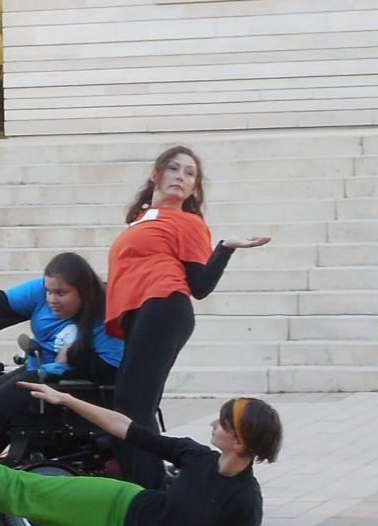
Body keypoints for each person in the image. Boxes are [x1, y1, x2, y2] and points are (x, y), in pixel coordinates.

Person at [0, 385, 278, 526]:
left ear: (239, 443)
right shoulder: (197, 456)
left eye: (222, 423)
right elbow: (124, 427)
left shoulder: (246, 501)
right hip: (116, 505)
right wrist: (66, 399)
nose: (213, 424)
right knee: (21, 488)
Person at [104, 146, 271, 489]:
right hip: (143, 311)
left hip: (164, 306)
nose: (181, 177)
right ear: (156, 174)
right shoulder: (142, 219)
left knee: (134, 404)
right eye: (174, 169)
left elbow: (199, 286)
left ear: (194, 189)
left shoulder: (188, 223)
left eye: (190, 173)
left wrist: (224, 249)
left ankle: (150, 491)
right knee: (131, 402)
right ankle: (149, 486)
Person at [0, 252, 126, 459]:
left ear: (84, 292)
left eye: (61, 293)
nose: (52, 299)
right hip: (42, 370)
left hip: (77, 385)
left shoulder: (105, 313)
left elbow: (111, 372)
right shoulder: (40, 291)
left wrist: (73, 357)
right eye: (49, 292)